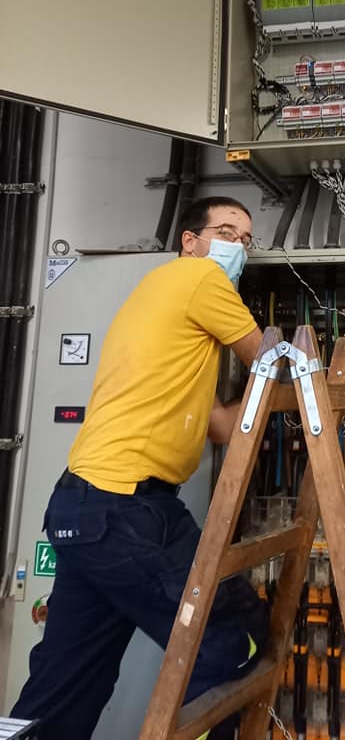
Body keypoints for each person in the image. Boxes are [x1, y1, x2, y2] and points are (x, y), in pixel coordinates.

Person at [11, 196, 268, 740]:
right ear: (190, 242)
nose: (238, 248)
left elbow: (223, 426)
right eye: (226, 232)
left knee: (63, 687)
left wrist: (269, 399)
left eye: (247, 240)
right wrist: (324, 383)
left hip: (84, 508)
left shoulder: (165, 305)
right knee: (232, 638)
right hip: (125, 508)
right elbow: (272, 361)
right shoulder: (200, 278)